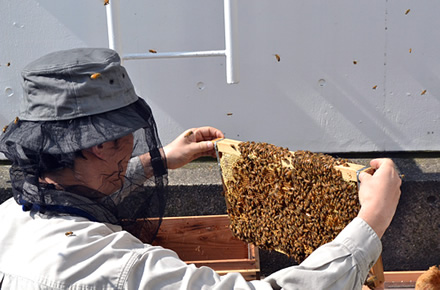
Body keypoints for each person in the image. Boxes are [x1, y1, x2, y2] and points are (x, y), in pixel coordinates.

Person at [0, 48, 402, 290]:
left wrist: (156, 161)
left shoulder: (10, 218)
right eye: (122, 137)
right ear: (100, 144)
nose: (130, 147)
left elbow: (80, 196)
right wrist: (371, 221)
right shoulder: (118, 268)